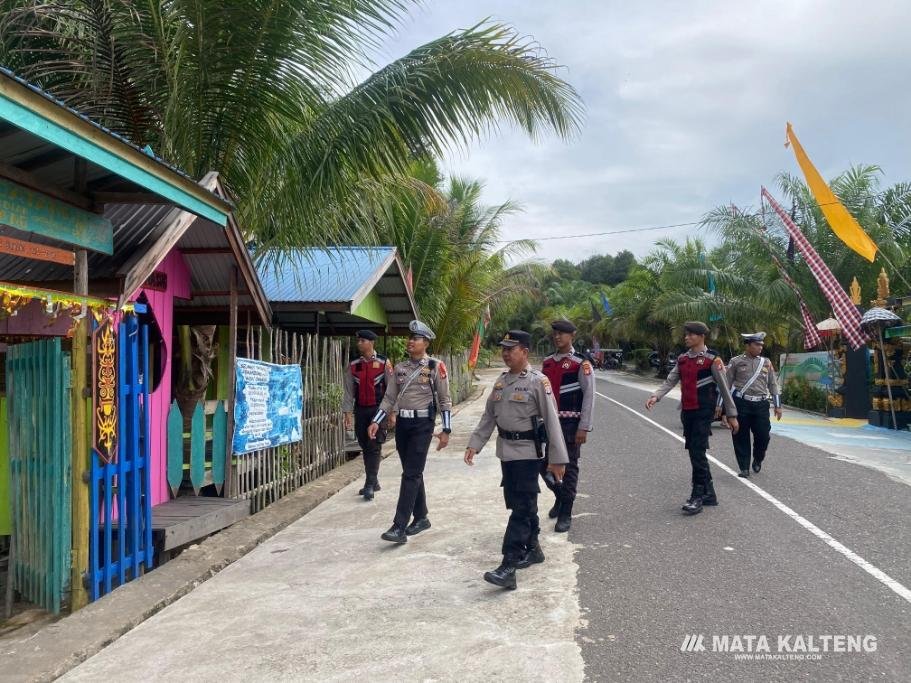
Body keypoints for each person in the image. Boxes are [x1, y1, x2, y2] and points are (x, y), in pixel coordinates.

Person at [464, 330, 568, 590]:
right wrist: (474, 444)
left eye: (511, 348)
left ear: (525, 351)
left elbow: (553, 422)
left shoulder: (537, 382)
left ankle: (508, 565)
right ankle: (533, 549)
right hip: (506, 452)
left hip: (527, 453)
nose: (506, 353)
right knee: (520, 503)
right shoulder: (500, 382)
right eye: (504, 348)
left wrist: (557, 459)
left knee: (521, 508)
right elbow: (489, 416)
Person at [368, 320, 451, 543]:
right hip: (403, 426)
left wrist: (446, 430)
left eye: (415, 338)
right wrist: (377, 420)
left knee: (411, 474)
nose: (410, 341)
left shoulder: (435, 366)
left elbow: (444, 400)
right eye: (410, 338)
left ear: (425, 342)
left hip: (423, 426)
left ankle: (399, 526)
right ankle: (422, 517)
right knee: (412, 472)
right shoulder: (400, 368)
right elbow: (389, 397)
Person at [645, 322, 739, 515]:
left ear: (701, 336)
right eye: (685, 335)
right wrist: (656, 396)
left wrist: (731, 414)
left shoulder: (712, 360)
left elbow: (724, 388)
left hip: (704, 412)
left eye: (690, 335)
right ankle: (709, 493)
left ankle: (697, 496)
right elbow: (670, 380)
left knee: (697, 453)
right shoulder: (682, 359)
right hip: (687, 412)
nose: (686, 338)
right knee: (696, 452)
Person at [540, 319, 594, 532]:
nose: (557, 337)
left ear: (572, 335)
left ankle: (566, 511)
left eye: (562, 333)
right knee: (543, 466)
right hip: (547, 423)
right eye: (555, 333)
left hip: (571, 423)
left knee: (569, 468)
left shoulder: (581, 363)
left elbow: (589, 395)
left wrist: (584, 426)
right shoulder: (547, 363)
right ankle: (560, 496)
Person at [343, 330, 394, 500]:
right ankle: (373, 481)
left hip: (378, 410)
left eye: (362, 341)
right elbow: (349, 391)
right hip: (361, 410)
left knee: (374, 444)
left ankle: (370, 484)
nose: (359, 343)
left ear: (371, 343)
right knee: (365, 445)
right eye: (358, 341)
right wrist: (348, 412)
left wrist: (393, 412)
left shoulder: (383, 363)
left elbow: (391, 390)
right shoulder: (353, 365)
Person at [725, 332, 782, 477]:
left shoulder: (766, 362)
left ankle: (758, 458)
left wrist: (777, 405)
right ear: (748, 345)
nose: (760, 347)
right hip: (741, 403)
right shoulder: (736, 361)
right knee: (740, 435)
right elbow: (726, 385)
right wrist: (722, 407)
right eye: (757, 345)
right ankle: (744, 467)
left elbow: (773, 384)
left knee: (763, 436)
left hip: (761, 404)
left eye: (761, 345)